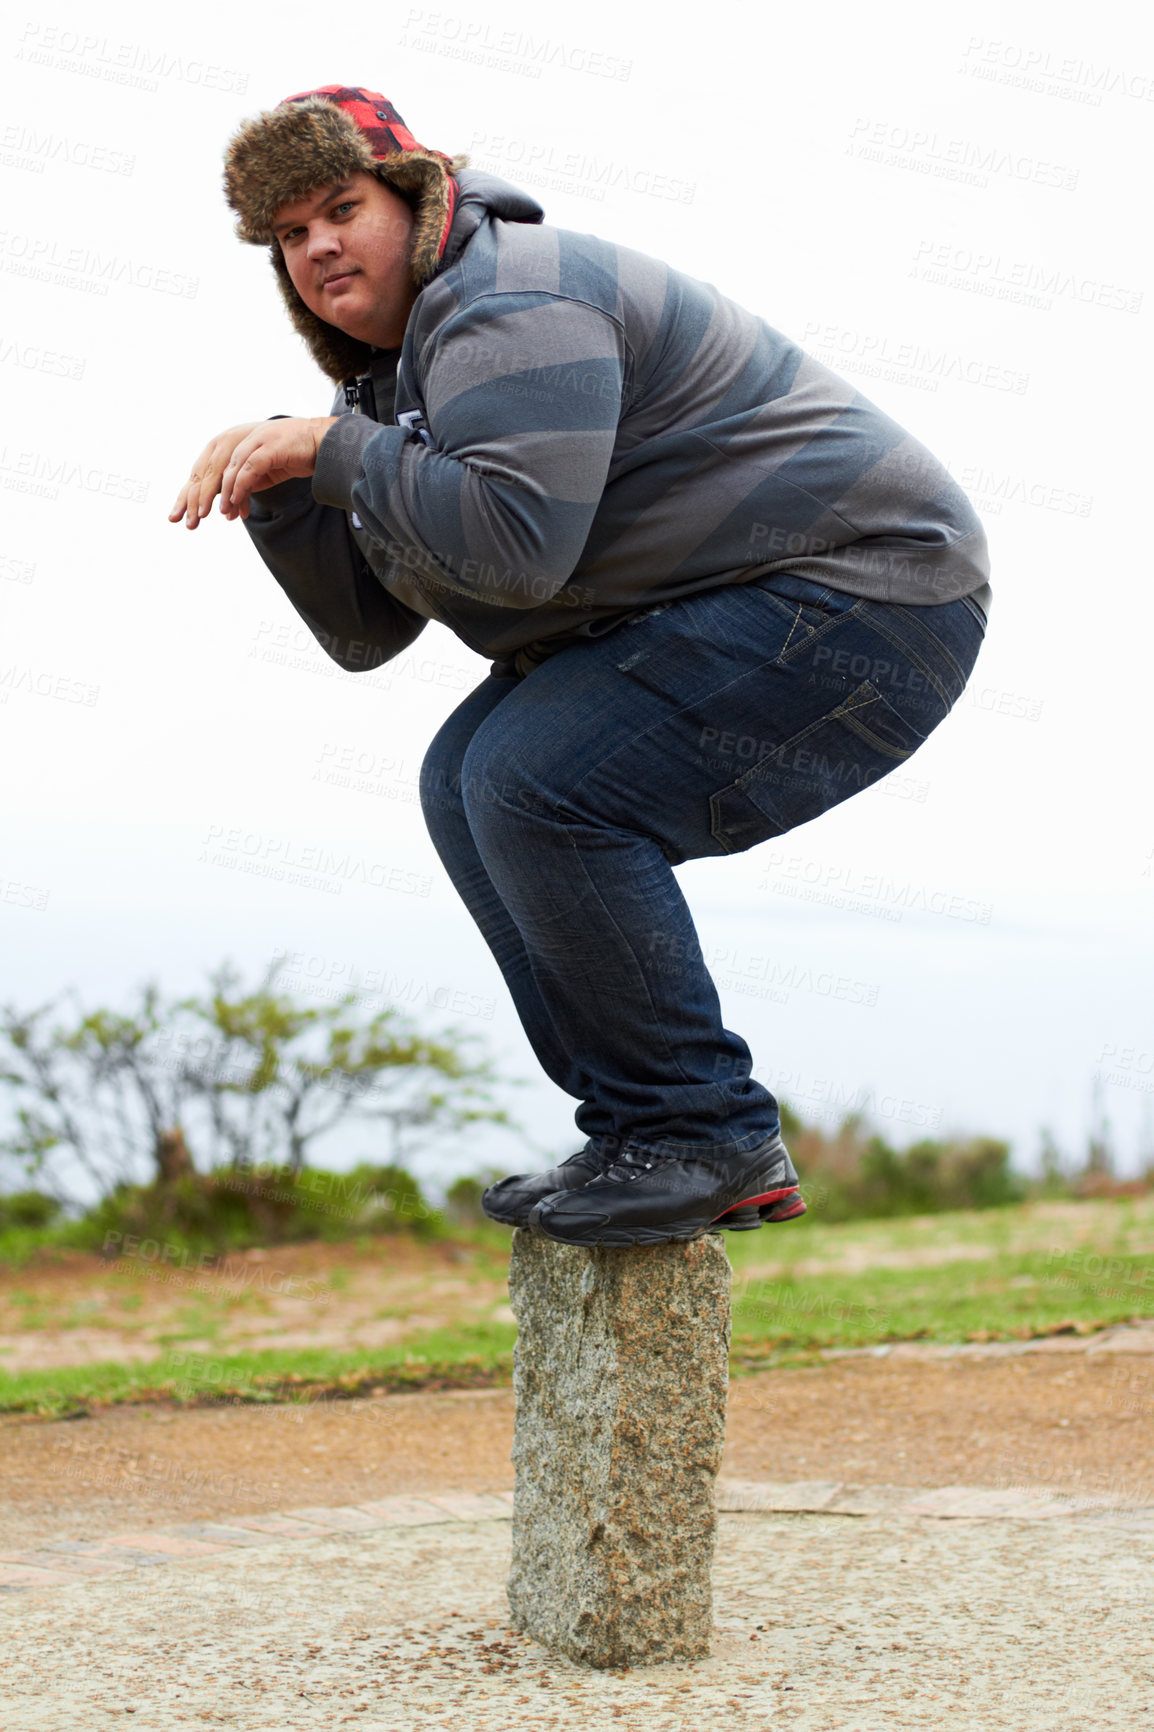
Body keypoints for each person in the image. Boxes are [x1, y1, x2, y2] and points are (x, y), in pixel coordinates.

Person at [170, 85, 992, 1250]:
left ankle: (699, 1131)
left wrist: (340, 451)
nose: (315, 248)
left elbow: (511, 544)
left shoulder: (515, 298)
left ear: (412, 199)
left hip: (872, 594)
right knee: (464, 774)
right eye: (289, 235)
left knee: (535, 779)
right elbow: (369, 632)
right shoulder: (397, 374)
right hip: (732, 604)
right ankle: (643, 1134)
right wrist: (292, 492)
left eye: (338, 209)